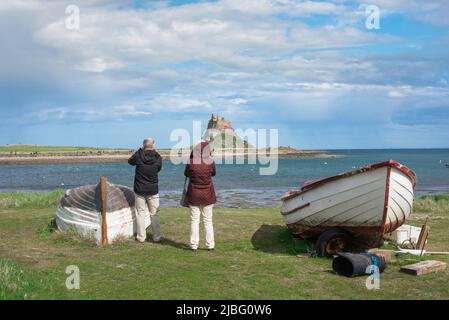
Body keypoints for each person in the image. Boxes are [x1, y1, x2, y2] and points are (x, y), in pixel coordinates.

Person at [184, 141, 217, 251]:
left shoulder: (191, 162)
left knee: (194, 220)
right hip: (208, 194)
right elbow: (213, 173)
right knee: (208, 221)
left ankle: (194, 245)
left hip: (194, 194)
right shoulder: (210, 161)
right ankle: (210, 245)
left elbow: (186, 174)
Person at [128, 138, 162, 243]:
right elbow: (158, 169)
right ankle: (157, 237)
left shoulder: (139, 155)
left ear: (143, 146)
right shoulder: (157, 157)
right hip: (152, 189)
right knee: (154, 213)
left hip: (140, 189)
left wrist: (140, 150)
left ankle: (141, 237)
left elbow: (130, 161)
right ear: (153, 146)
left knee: (140, 213)